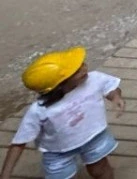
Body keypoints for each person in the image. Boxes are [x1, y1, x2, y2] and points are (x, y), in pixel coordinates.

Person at [1, 47, 125, 179]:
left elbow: (110, 86)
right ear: (59, 85)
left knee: (100, 169)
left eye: (81, 64)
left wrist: (115, 97)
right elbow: (20, 141)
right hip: (58, 151)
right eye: (77, 71)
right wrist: (5, 174)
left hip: (93, 136)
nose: (84, 68)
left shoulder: (93, 79)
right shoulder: (40, 110)